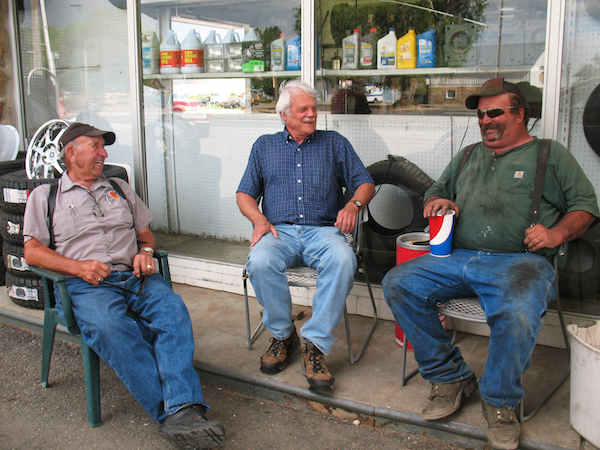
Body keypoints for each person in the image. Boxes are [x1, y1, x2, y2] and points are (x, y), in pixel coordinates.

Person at [382, 78, 599, 450]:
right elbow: (437, 189)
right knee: (398, 283)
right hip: (457, 258)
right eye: (481, 114)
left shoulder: (549, 154)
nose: (485, 120)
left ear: (520, 115)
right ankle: (449, 375)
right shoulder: (468, 154)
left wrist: (556, 234)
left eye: (495, 112)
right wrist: (438, 203)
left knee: (517, 310)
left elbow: (586, 207)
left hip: (521, 264)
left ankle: (500, 402)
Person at [23, 122, 225, 449]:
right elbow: (32, 251)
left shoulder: (119, 187)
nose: (104, 153)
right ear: (71, 153)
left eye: (104, 147)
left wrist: (145, 253)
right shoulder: (46, 197)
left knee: (173, 311)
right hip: (86, 284)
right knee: (110, 326)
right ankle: (177, 412)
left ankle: (182, 408)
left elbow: (145, 235)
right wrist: (77, 267)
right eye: (95, 147)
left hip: (134, 277)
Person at [236, 80, 375, 393]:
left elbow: (365, 183)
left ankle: (314, 345)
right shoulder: (264, 146)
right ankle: (284, 335)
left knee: (343, 258)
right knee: (259, 260)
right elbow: (244, 193)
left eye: (314, 108)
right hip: (278, 230)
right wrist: (258, 219)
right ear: (286, 115)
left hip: (323, 232)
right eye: (304, 109)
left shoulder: (335, 143)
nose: (313, 114)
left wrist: (353, 205)